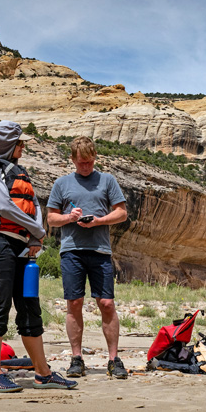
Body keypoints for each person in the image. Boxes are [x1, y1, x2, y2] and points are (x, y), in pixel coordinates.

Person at [0, 120, 77, 392]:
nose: (23, 146)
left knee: (30, 309)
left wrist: (36, 236)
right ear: (8, 144)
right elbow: (4, 206)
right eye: (19, 142)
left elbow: (34, 207)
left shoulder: (19, 171)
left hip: (22, 249)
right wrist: (36, 229)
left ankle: (43, 373)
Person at [47, 137, 129, 379]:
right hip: (71, 250)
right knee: (74, 304)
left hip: (100, 251)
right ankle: (76, 358)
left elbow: (122, 213)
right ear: (72, 159)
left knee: (106, 304)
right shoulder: (62, 184)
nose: (86, 167)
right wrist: (70, 218)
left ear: (95, 158)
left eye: (90, 162)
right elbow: (51, 218)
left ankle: (114, 359)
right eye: (82, 163)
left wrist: (99, 220)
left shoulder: (107, 180)